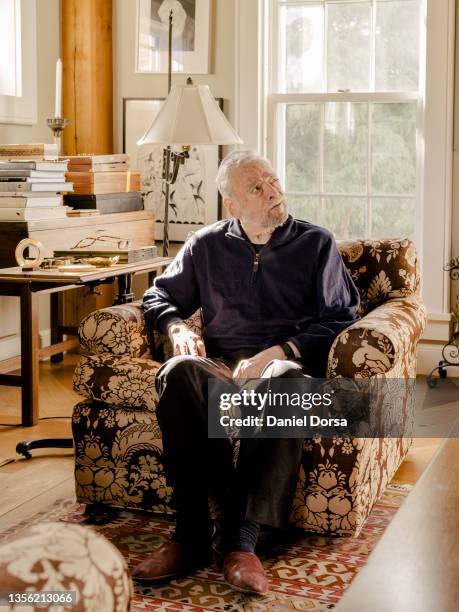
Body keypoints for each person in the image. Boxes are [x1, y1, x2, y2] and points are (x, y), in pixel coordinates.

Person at [133, 150, 360, 594]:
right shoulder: (205, 244)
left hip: (286, 364)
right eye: (257, 187)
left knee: (285, 384)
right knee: (178, 372)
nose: (272, 191)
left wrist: (282, 349)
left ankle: (242, 540)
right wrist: (176, 327)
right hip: (223, 367)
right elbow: (157, 297)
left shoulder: (316, 244)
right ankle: (191, 534)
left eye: (272, 180)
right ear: (232, 206)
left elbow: (342, 315)